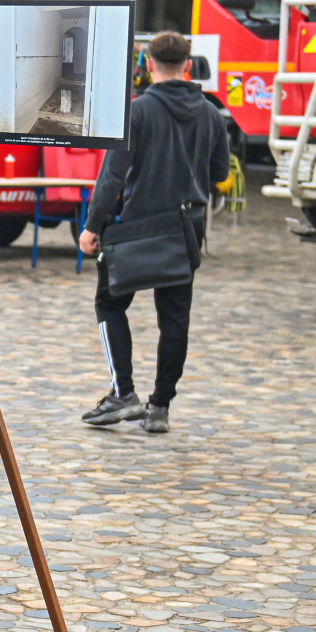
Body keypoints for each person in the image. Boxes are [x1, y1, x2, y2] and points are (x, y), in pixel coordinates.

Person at [79, 31, 228, 434]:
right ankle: (159, 407)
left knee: (110, 305)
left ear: (147, 65)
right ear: (188, 65)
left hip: (135, 228)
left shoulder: (136, 112)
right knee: (175, 319)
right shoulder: (211, 113)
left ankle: (122, 392)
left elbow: (112, 177)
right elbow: (219, 174)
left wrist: (92, 226)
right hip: (185, 229)